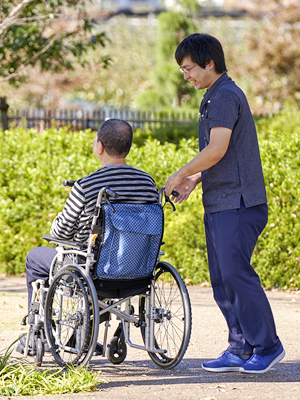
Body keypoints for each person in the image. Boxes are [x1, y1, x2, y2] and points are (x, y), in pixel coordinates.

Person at [165, 33, 285, 374]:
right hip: (221, 201)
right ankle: (239, 346)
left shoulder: (224, 96)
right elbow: (225, 156)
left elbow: (216, 150)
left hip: (239, 202)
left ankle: (268, 345)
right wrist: (195, 179)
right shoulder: (213, 97)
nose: (185, 75)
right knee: (222, 278)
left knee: (236, 275)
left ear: (209, 63)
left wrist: (180, 173)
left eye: (188, 68)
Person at [17, 118, 159, 355]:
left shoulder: (87, 185)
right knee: (103, 263)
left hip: (90, 270)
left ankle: (43, 333)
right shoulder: (148, 183)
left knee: (35, 258)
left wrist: (55, 226)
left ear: (99, 147)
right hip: (137, 271)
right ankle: (79, 337)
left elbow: (60, 232)